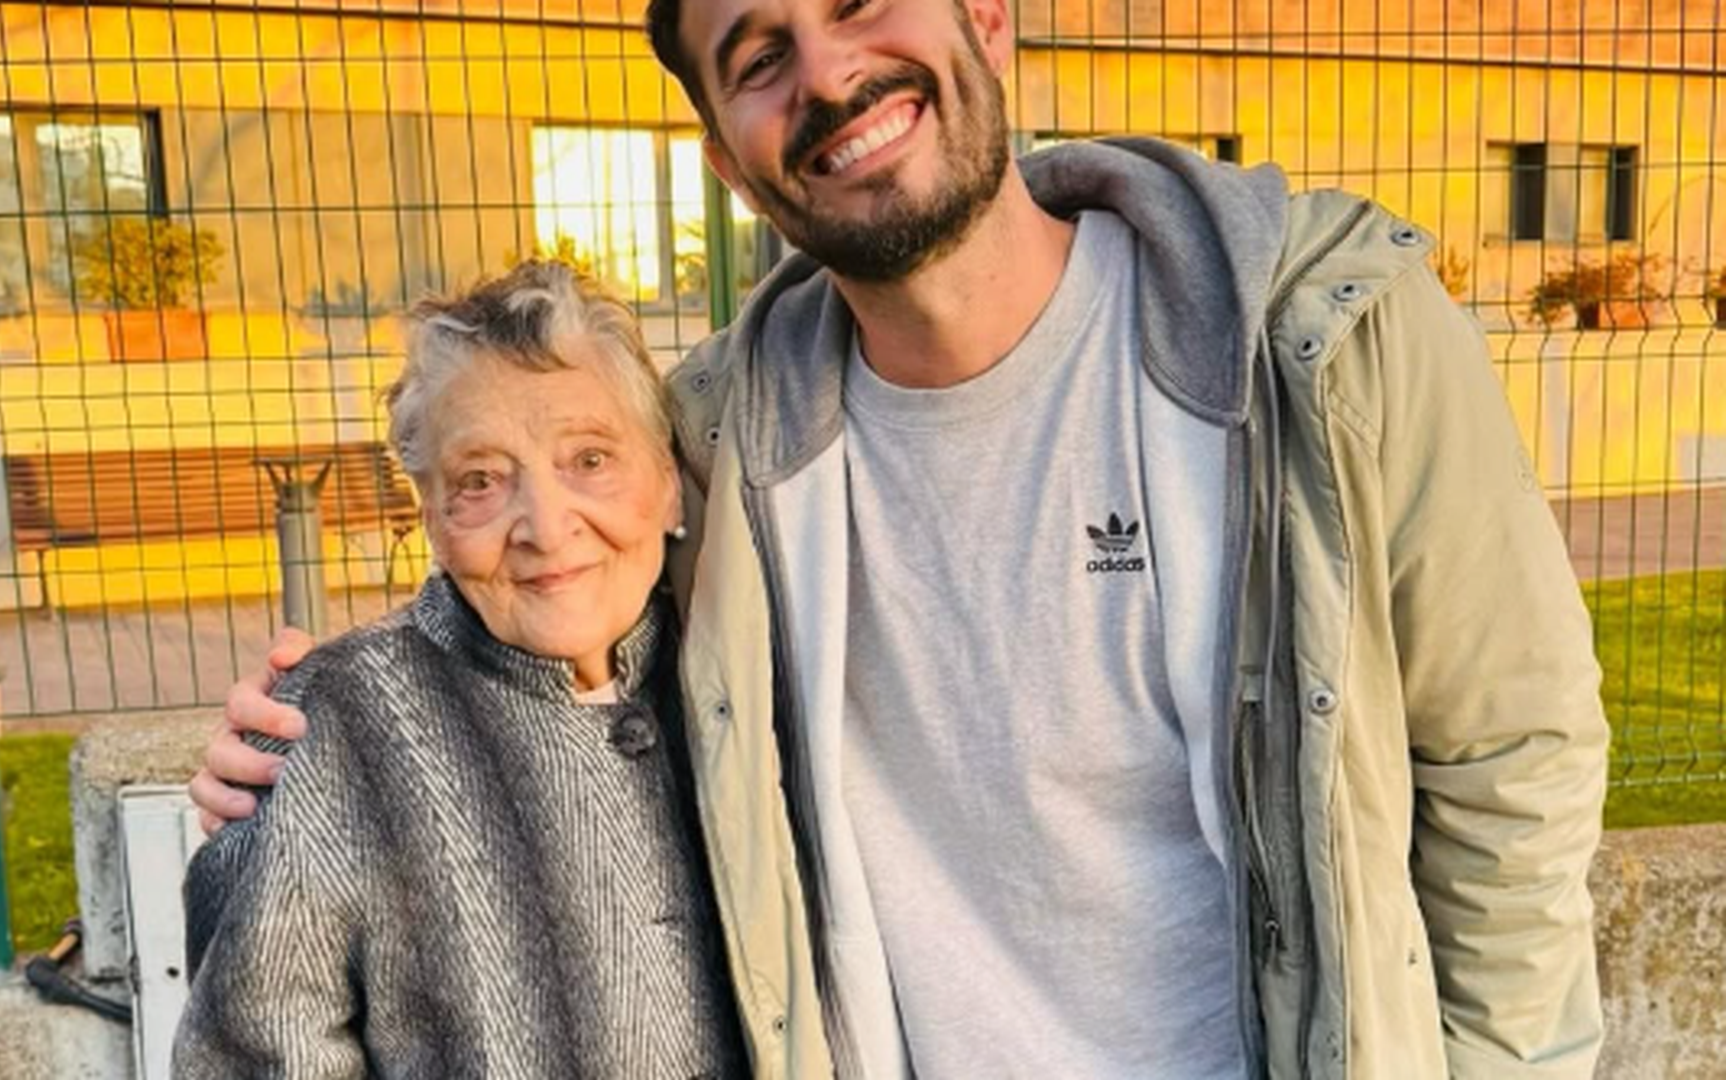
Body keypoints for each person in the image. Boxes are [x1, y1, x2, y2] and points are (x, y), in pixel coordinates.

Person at [192, 0, 1610, 1074]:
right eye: (758, 56)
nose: (827, 73)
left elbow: (1513, 761)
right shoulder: (718, 442)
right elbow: (544, 597)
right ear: (729, 154)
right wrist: (318, 739)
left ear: (984, 12)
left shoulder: (1326, 338)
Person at [173, 261, 747, 1078]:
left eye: (589, 459)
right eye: (480, 480)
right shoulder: (329, 731)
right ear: (432, 516)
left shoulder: (749, 676)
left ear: (667, 486)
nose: (546, 528)